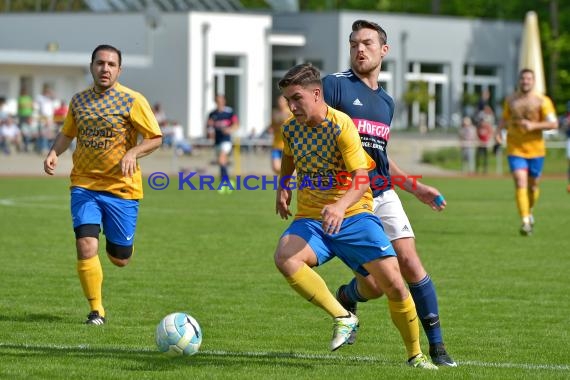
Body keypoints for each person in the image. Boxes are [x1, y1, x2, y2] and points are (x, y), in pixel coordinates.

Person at [274, 63, 437, 369]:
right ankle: (342, 316)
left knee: (391, 285)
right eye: (288, 101)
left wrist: (338, 206)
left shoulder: (342, 125)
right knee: (285, 257)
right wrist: (283, 189)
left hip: (354, 215)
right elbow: (288, 158)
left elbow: (362, 178)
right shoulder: (291, 128)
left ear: (317, 93)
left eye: (297, 98)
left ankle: (416, 355)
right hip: (312, 219)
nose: (292, 106)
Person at [322, 19, 456, 367]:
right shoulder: (334, 87)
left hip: (380, 193)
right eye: (353, 44)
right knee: (379, 285)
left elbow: (380, 158)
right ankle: (348, 294)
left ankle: (438, 348)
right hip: (348, 198)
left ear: (384, 50)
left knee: (411, 264)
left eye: (366, 43)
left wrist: (416, 187)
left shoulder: (386, 102)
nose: (359, 49)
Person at [43, 44, 163, 324]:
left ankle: (121, 245)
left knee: (120, 258)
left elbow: (155, 137)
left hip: (122, 188)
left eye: (111, 64)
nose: (105, 69)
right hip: (84, 185)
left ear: (119, 70)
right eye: (100, 63)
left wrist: (133, 152)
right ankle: (97, 311)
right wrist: (52, 152)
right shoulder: (78, 101)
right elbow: (66, 134)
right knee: (85, 244)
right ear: (91, 66)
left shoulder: (132, 100)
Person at [495, 68, 558, 235]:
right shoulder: (511, 100)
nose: (525, 81)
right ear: (519, 80)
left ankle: (529, 212)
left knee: (533, 186)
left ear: (533, 81)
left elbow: (554, 124)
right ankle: (525, 221)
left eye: (528, 79)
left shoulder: (543, 101)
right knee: (520, 181)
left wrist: (534, 126)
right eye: (523, 79)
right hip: (515, 147)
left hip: (536, 149)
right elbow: (505, 118)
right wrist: (498, 132)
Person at [206, 94, 239, 188]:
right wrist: (210, 131)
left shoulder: (229, 112)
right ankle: (224, 181)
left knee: (221, 159)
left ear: (224, 101)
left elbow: (236, 124)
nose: (219, 103)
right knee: (222, 162)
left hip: (226, 141)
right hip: (217, 141)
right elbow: (209, 127)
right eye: (217, 101)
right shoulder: (212, 114)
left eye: (220, 101)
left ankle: (226, 180)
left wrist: (230, 129)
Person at [269, 95, 289, 174]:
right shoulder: (275, 113)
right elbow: (272, 126)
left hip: (287, 146)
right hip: (276, 145)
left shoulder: (290, 113)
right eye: (279, 101)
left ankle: (286, 181)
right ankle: (285, 179)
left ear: (286, 102)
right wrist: (271, 129)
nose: (280, 103)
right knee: (275, 167)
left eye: (282, 101)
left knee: (287, 168)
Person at [475, 105, 495, 174]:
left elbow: (490, 133)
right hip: (480, 143)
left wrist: (487, 140)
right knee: (478, 156)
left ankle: (485, 169)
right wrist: (478, 140)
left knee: (485, 157)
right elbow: (477, 133)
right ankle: (477, 169)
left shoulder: (488, 127)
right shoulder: (479, 127)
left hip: (485, 143)